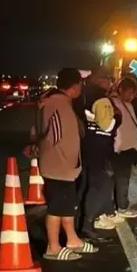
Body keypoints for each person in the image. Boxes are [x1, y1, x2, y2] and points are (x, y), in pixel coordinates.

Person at [34, 68, 99, 260]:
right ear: (75, 85)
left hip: (66, 166)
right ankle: (53, 248)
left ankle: (72, 240)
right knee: (56, 207)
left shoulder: (63, 102)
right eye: (80, 84)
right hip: (58, 165)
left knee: (67, 205)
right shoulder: (55, 103)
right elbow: (52, 136)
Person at [78, 69, 123, 238]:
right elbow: (107, 126)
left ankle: (85, 221)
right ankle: (89, 223)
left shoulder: (83, 97)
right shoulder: (102, 99)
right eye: (109, 80)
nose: (111, 83)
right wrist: (117, 117)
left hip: (87, 146)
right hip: (100, 148)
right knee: (99, 186)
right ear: (101, 80)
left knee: (88, 185)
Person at [109, 76, 137, 219]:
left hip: (128, 149)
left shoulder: (128, 104)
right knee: (121, 179)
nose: (132, 96)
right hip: (119, 149)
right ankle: (121, 207)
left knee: (122, 178)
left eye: (133, 93)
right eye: (129, 92)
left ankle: (118, 205)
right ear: (120, 90)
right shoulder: (113, 103)